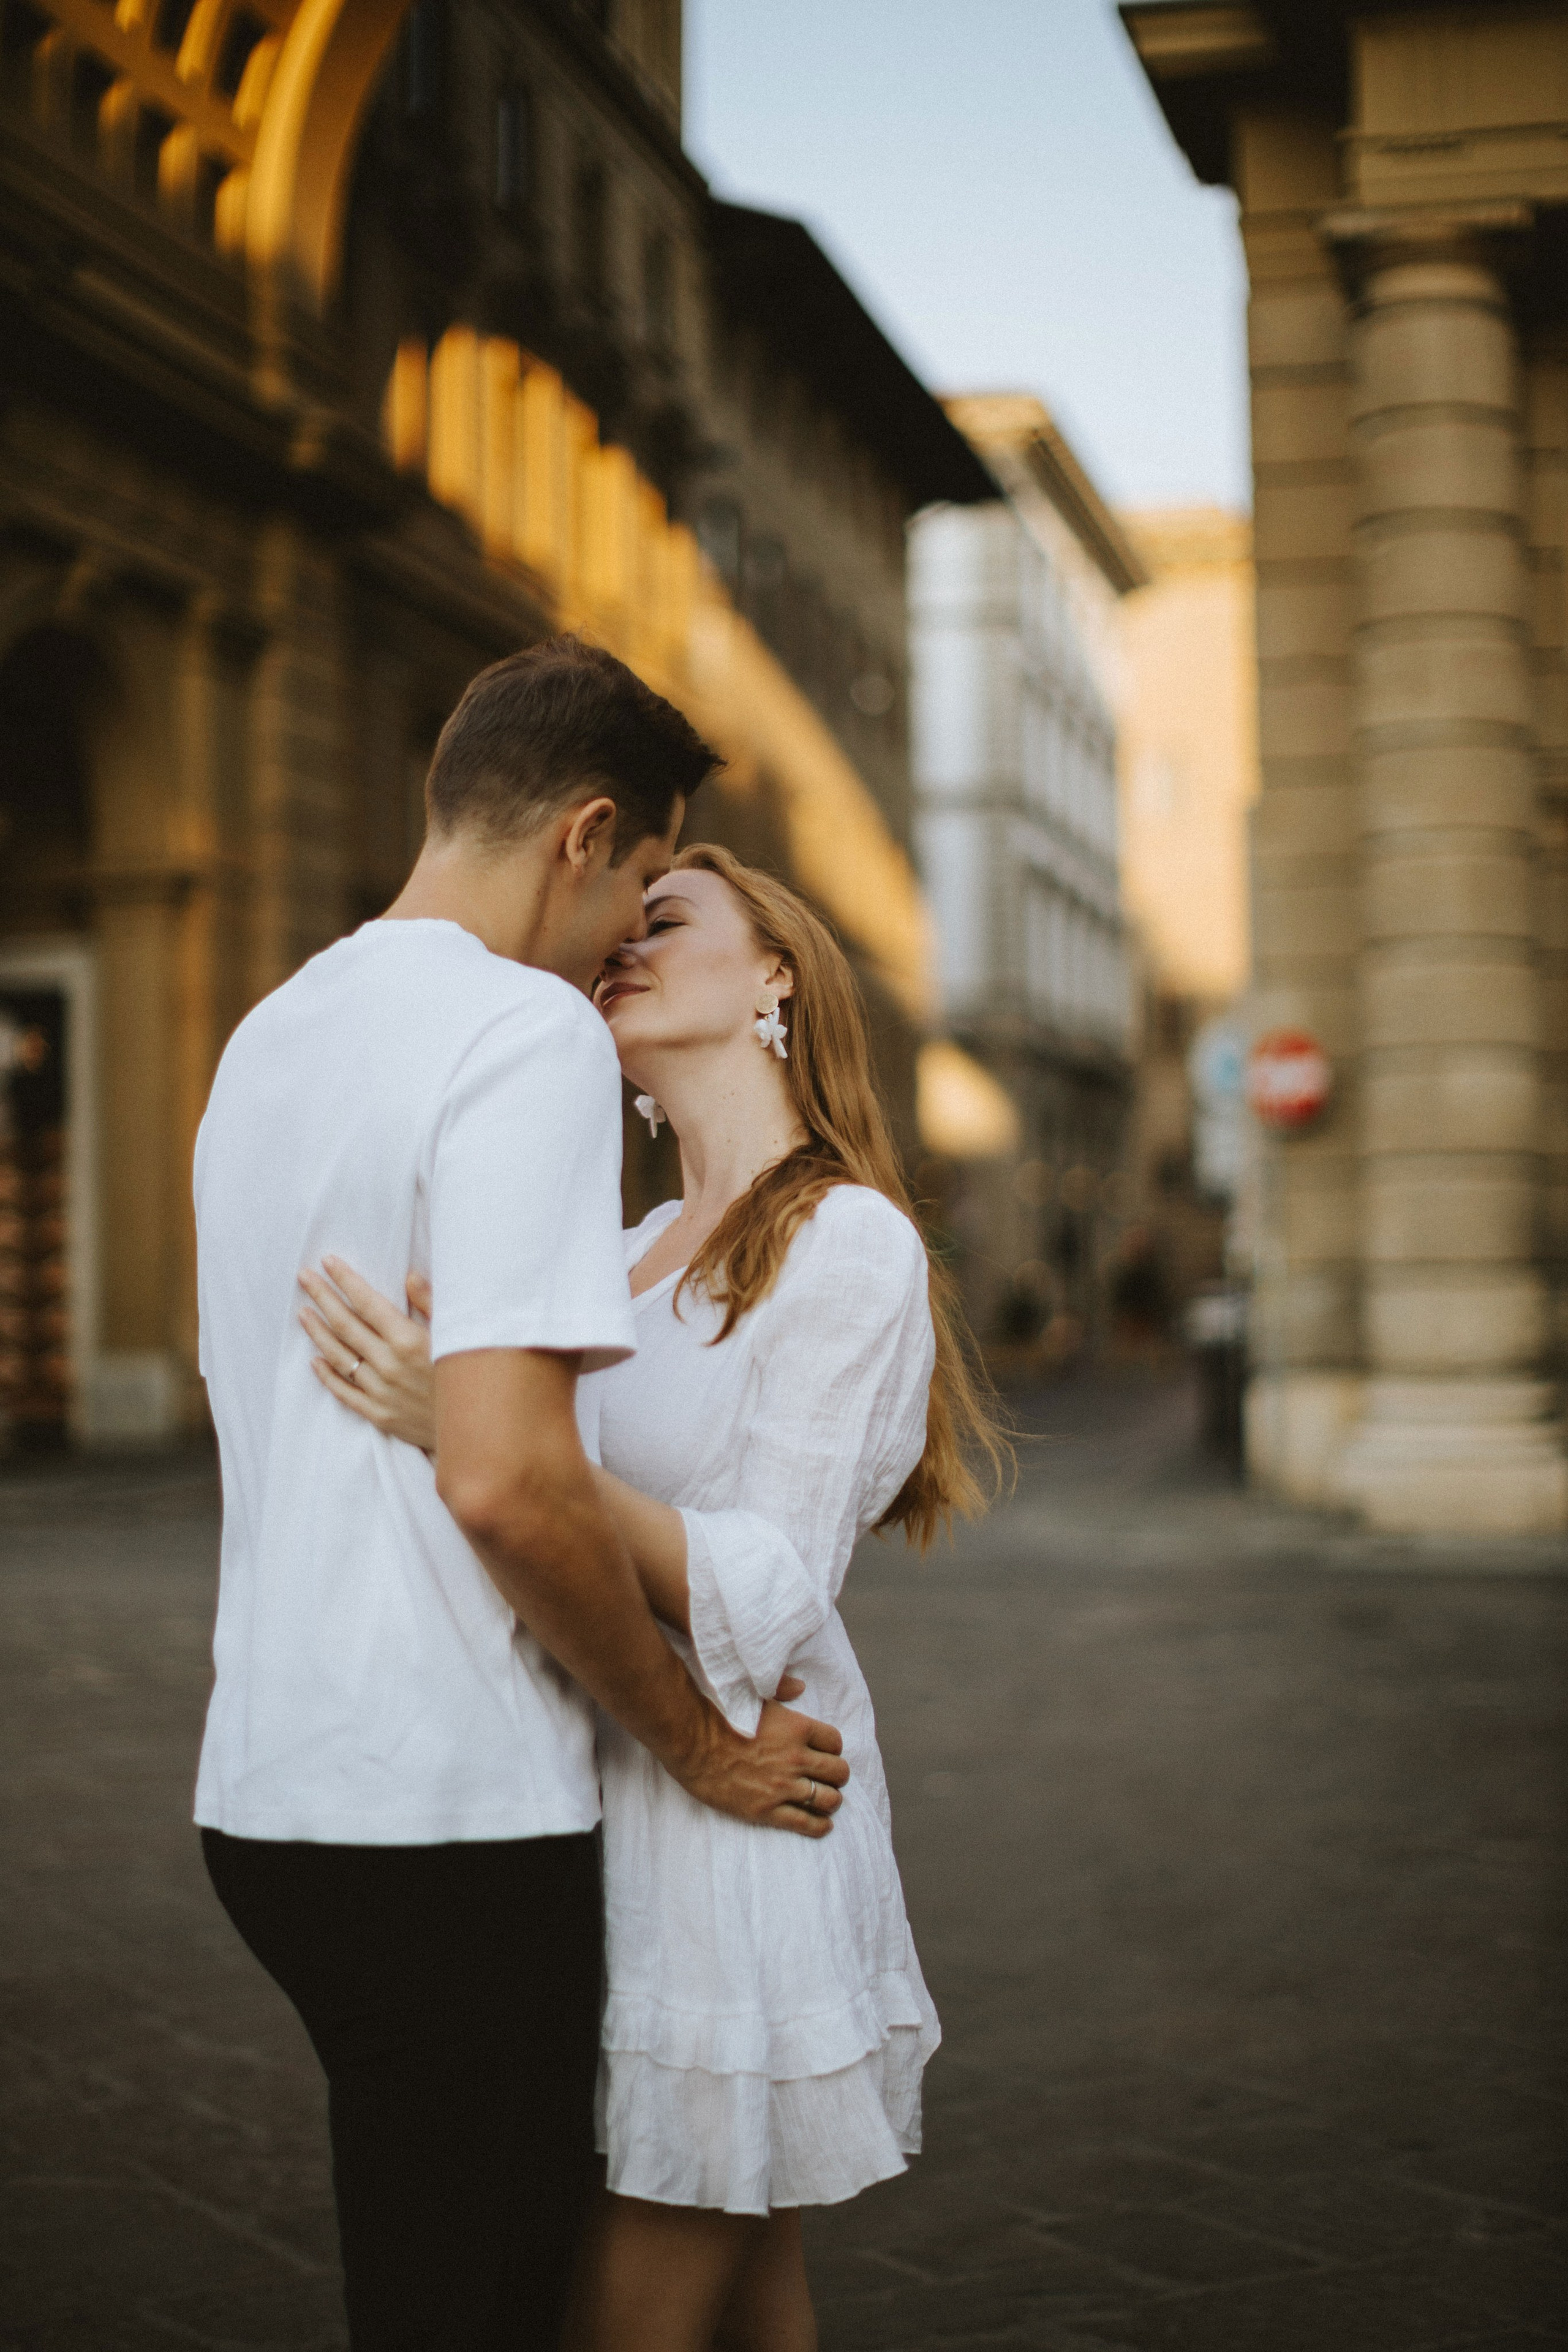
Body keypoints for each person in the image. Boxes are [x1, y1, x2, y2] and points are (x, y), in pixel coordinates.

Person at [192, 641, 852, 2352]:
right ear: (588, 831)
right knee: (482, 2301)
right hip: (447, 1809)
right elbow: (509, 1480)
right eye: (641, 879)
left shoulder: (269, 1033)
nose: (625, 932)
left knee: (428, 2263)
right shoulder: (523, 1035)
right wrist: (700, 1750)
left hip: (267, 1788)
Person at [301, 842, 1008, 2352]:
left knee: (634, 2296)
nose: (623, 938)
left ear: (776, 976)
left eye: (667, 919)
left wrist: (479, 1428)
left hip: (741, 1806)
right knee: (744, 2284)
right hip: (613, 1785)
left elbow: (760, 1589)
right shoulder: (617, 1256)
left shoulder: (848, 1240)